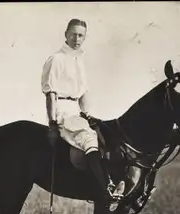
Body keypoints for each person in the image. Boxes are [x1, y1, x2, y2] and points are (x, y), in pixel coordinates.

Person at [41, 18, 123, 204]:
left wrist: (88, 115)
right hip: (62, 110)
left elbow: (83, 94)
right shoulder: (56, 59)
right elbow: (51, 94)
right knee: (89, 139)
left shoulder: (79, 60)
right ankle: (105, 189)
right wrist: (52, 123)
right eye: (73, 34)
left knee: (104, 133)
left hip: (77, 112)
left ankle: (113, 179)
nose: (77, 39)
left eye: (81, 35)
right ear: (66, 34)